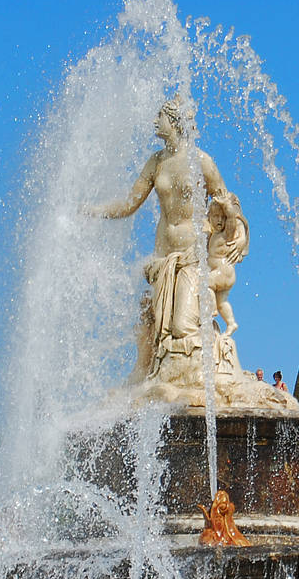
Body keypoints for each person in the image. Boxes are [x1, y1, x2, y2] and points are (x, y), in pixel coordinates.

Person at [90, 99, 230, 387]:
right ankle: (162, 383)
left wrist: (224, 242)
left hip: (192, 255)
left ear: (174, 120)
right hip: (163, 254)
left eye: (160, 116)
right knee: (156, 332)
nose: (155, 121)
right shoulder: (156, 162)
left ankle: (196, 379)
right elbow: (130, 204)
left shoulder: (202, 161)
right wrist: (94, 210)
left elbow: (225, 206)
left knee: (181, 326)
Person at [204, 190, 249, 335]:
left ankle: (211, 310)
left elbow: (232, 218)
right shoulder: (214, 235)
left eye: (222, 217)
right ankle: (231, 323)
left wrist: (226, 205)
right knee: (222, 301)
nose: (219, 220)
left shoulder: (226, 234)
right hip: (224, 274)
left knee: (205, 282)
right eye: (215, 216)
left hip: (224, 272)